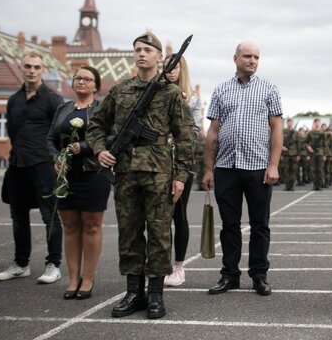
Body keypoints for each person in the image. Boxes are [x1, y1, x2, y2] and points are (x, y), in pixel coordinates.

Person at [86, 32, 195, 319]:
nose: (141, 54)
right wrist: (100, 151)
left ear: (159, 57)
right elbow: (95, 125)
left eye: (148, 50)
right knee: (129, 233)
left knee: (159, 233)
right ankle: (134, 292)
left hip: (159, 173)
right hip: (125, 173)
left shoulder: (171, 94)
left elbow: (185, 139)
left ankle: (156, 294)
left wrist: (181, 176)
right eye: (137, 49)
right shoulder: (120, 91)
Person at [202, 42, 283, 296]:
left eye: (256, 57)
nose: (252, 60)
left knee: (260, 225)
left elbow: (277, 128)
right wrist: (208, 169)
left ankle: (259, 275)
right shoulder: (221, 89)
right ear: (236, 58)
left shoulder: (268, 88)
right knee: (229, 225)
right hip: (226, 167)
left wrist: (273, 165)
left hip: (258, 168)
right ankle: (229, 275)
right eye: (247, 56)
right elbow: (212, 132)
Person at [0, 50, 64, 284]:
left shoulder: (53, 99)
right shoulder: (13, 100)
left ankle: (53, 265)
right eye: (28, 66)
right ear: (21, 68)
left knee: (50, 216)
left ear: (43, 69)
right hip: (17, 165)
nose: (32, 70)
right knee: (18, 216)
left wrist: (56, 160)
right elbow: (13, 131)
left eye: (36, 67)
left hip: (43, 165)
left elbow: (60, 134)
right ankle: (21, 264)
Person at [46, 66, 110, 299]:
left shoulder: (102, 109)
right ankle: (73, 278)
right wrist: (56, 158)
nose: (81, 82)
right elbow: (51, 138)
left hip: (94, 174)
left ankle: (88, 279)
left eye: (87, 79)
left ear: (96, 85)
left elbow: (109, 137)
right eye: (78, 78)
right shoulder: (63, 109)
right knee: (71, 227)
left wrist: (81, 147)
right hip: (66, 176)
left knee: (92, 226)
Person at [162, 54, 204, 287]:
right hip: (155, 163)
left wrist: (182, 106)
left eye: (175, 66)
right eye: (166, 66)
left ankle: (178, 267)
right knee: (158, 218)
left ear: (182, 69)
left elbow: (194, 133)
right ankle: (161, 265)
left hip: (180, 163)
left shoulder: (193, 99)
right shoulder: (152, 93)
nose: (170, 70)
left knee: (178, 214)